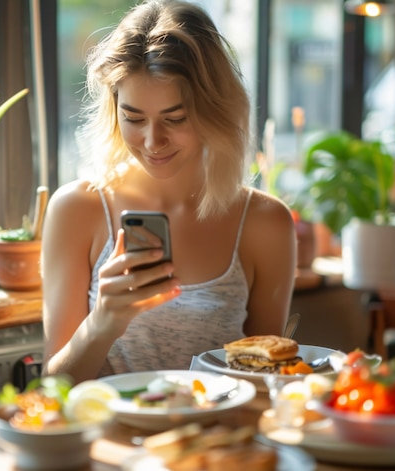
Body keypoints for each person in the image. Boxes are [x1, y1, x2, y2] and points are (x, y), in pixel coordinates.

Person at [41, 0, 296, 383]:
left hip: (216, 440)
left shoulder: (265, 223)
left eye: (174, 118)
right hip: (109, 440)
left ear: (216, 109)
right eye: (133, 118)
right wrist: (102, 324)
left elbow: (268, 375)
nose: (152, 141)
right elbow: (52, 390)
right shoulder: (78, 209)